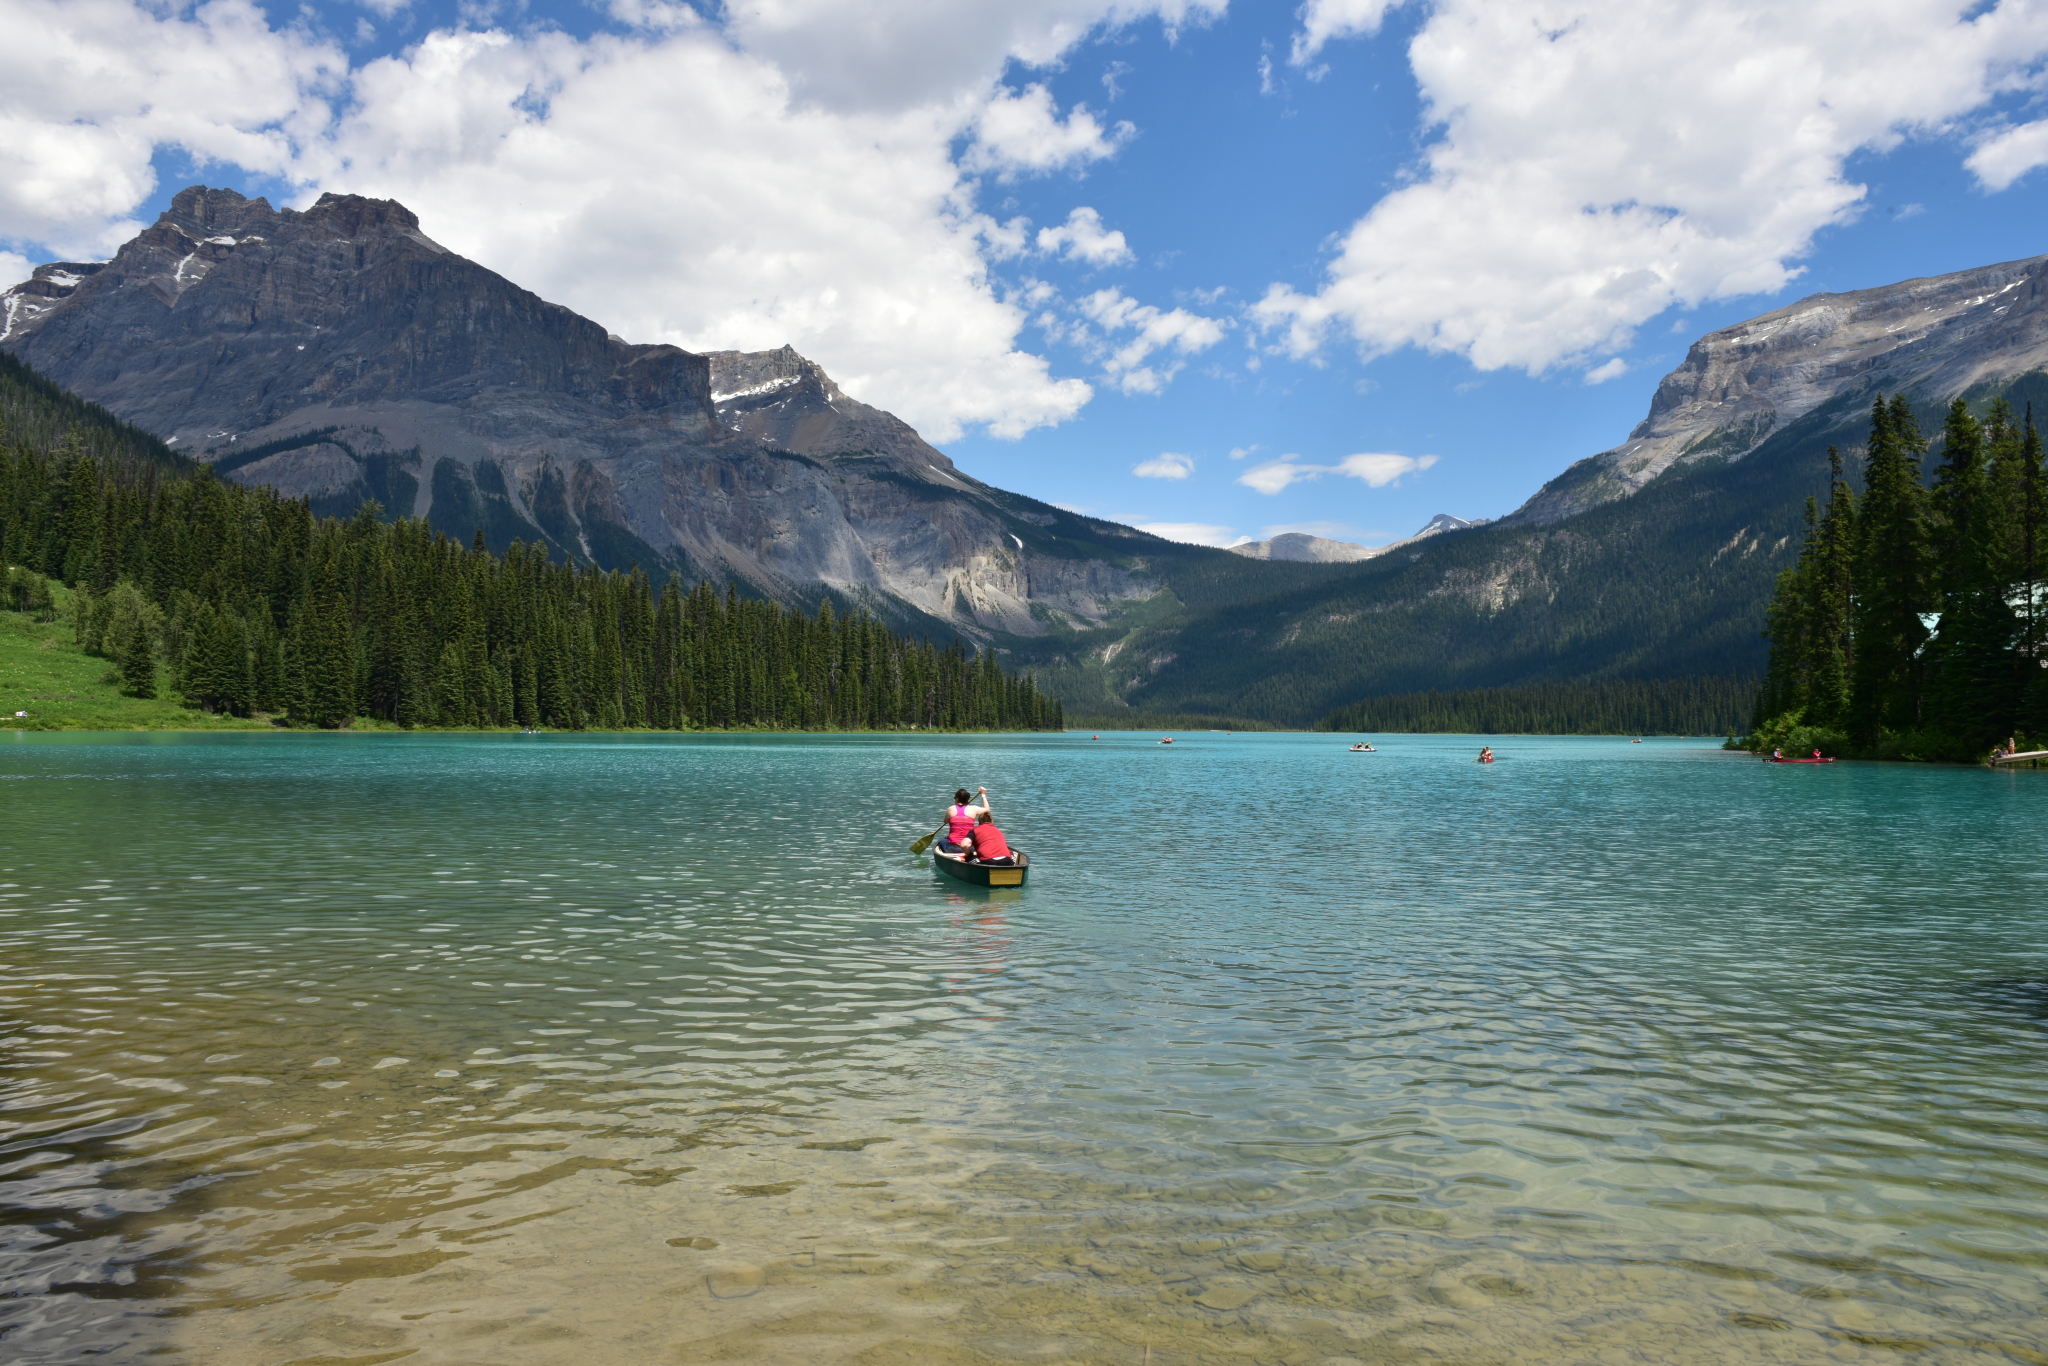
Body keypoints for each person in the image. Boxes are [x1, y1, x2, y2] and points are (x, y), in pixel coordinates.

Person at [938, 787, 988, 855]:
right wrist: (983, 795)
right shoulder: (974, 809)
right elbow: (987, 809)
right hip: (970, 848)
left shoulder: (950, 809)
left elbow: (945, 821)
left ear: (957, 799)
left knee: (941, 841)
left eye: (955, 798)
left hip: (953, 848)